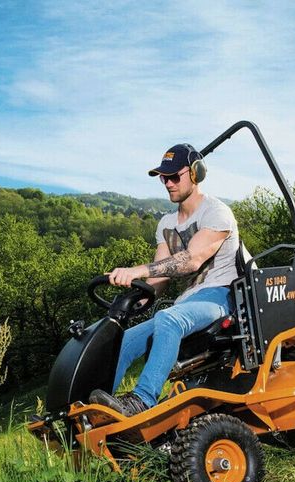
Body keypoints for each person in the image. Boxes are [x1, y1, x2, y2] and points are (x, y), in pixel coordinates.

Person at [89, 143, 242, 417]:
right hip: (186, 303)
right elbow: (160, 277)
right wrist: (132, 297)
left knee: (168, 319)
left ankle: (143, 400)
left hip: (221, 296)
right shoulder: (166, 223)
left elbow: (191, 260)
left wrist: (137, 270)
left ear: (196, 173)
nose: (168, 183)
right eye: (163, 178)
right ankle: (97, 409)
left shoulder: (216, 213)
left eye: (174, 176)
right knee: (122, 340)